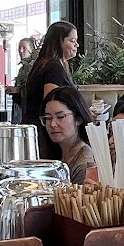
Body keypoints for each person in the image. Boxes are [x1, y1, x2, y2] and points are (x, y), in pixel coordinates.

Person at [22, 21, 80, 153]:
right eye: (72, 41)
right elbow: (52, 103)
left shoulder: (45, 64)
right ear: (59, 42)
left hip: (37, 131)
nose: (76, 45)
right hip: (45, 136)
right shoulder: (54, 67)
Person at [42, 86, 98, 184]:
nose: (53, 124)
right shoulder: (54, 153)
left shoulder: (85, 162)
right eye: (48, 118)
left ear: (78, 119)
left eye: (60, 117)